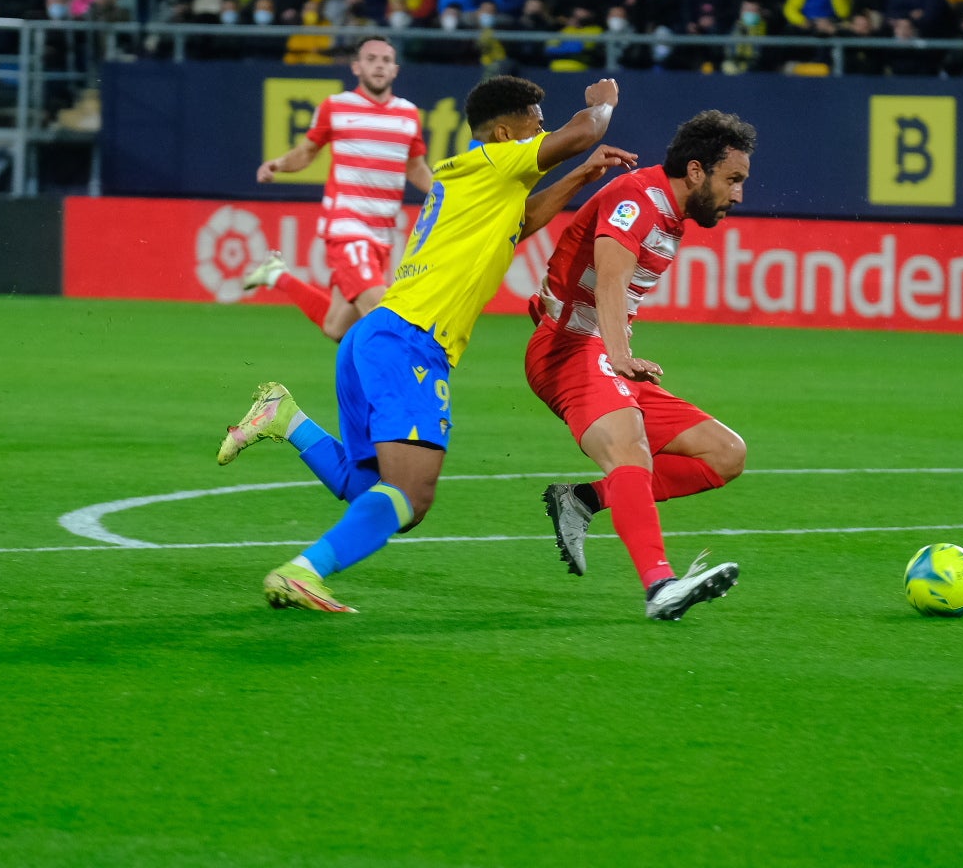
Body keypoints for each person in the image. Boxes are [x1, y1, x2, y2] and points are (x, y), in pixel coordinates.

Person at [215, 75, 635, 613]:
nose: (544, 129)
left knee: (372, 491)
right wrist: (600, 106)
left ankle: (285, 417)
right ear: (506, 133)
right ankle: (303, 571)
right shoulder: (497, 160)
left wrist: (581, 176)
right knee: (412, 496)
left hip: (374, 337)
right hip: (411, 342)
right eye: (536, 122)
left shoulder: (471, 180)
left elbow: (522, 221)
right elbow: (582, 131)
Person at [527, 111, 754, 621]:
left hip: (597, 350)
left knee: (725, 454)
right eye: (732, 179)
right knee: (630, 446)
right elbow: (610, 280)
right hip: (569, 350)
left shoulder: (671, 216)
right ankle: (660, 587)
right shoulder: (639, 200)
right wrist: (620, 355)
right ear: (696, 171)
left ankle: (583, 499)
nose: (738, 194)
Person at [242, 37, 435, 341]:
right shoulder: (336, 107)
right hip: (347, 227)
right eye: (371, 59)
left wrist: (445, 194)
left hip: (382, 232)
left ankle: (277, 275)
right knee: (382, 315)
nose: (379, 65)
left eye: (386, 60)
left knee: (337, 328)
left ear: (395, 69)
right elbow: (307, 151)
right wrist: (279, 164)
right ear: (357, 67)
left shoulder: (408, 114)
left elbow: (416, 168)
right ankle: (406, 387)